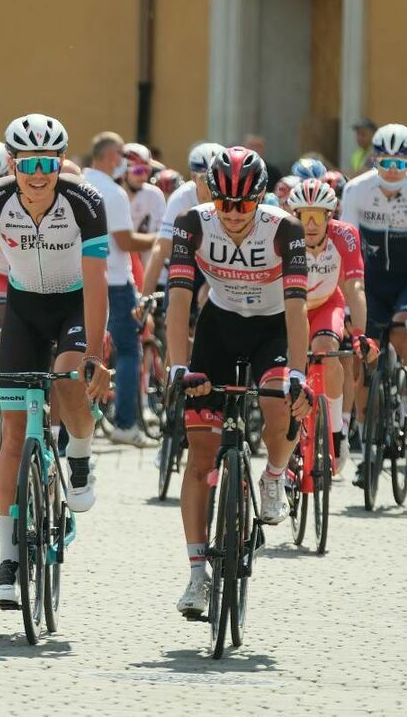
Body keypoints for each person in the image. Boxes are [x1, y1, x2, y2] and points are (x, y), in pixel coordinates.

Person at [0, 112, 112, 608]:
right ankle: (7, 556)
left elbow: (98, 280)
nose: (38, 174)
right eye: (27, 163)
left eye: (47, 162)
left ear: (60, 162)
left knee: (67, 380)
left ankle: (79, 452)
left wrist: (93, 353)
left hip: (72, 304)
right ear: (12, 163)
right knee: (12, 435)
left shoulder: (85, 202)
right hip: (23, 307)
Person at [165, 146, 311, 617]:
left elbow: (296, 308)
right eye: (224, 202)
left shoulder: (283, 228)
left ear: (260, 199)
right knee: (200, 455)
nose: (232, 214)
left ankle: (273, 476)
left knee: (277, 405)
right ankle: (195, 577)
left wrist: (297, 374)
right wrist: (177, 366)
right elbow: (180, 300)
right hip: (219, 327)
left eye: (243, 204)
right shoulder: (193, 222)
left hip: (271, 328)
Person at [339, 123, 407, 442]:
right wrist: (348, 304)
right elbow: (347, 251)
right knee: (365, 356)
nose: (393, 171)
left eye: (400, 164)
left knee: (404, 335)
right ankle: (365, 432)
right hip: (369, 281)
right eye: (386, 163)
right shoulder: (355, 190)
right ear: (374, 160)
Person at [285, 179, 368, 470]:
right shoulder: (282, 235)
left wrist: (359, 334)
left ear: (330, 215)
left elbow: (355, 287)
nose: (310, 223)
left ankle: (335, 432)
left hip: (326, 304)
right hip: (287, 306)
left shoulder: (345, 236)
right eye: (303, 215)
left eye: (318, 215)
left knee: (326, 349)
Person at [84, 132, 158, 448]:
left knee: (79, 350)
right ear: (112, 155)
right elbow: (124, 241)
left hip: (79, 280)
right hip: (114, 280)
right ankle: (126, 424)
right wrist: (161, 240)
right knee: (128, 350)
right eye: (121, 155)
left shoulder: (79, 185)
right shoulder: (113, 193)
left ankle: (74, 426)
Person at [141, 142, 221, 299]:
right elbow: (161, 249)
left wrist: (210, 285)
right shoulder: (182, 197)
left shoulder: (229, 197)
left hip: (224, 263)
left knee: (207, 298)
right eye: (205, 179)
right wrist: (145, 299)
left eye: (218, 179)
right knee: (176, 297)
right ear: (193, 177)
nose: (213, 187)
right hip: (193, 259)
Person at [121, 142, 166, 271]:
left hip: (148, 270)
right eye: (138, 170)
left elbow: (163, 236)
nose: (144, 176)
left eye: (147, 170)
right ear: (123, 172)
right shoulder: (111, 195)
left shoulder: (155, 194)